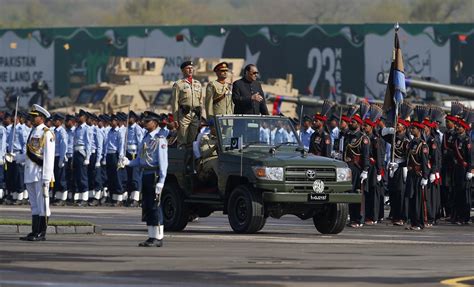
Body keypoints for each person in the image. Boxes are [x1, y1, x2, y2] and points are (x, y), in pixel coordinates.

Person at [120, 111, 168, 247]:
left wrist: (161, 181)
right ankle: (151, 235)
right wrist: (128, 162)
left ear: (155, 123)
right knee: (147, 205)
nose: (145, 124)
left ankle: (158, 237)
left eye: (147, 122)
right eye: (144, 121)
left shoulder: (160, 139)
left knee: (155, 206)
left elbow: (164, 162)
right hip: (145, 174)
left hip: (154, 174)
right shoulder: (146, 138)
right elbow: (141, 160)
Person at [18, 104, 55, 241]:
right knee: (34, 205)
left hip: (40, 174)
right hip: (30, 174)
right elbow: (29, 154)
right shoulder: (33, 131)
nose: (31, 119)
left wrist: (46, 177)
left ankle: (42, 233)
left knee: (43, 204)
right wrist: (15, 158)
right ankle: (34, 231)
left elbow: (49, 157)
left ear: (41, 118)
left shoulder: (47, 133)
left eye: (34, 117)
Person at [343, 105, 370, 228]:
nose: (350, 123)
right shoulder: (348, 136)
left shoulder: (363, 138)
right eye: (350, 121)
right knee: (350, 193)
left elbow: (365, 156)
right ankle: (352, 217)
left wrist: (365, 170)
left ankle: (359, 219)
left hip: (358, 168)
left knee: (358, 194)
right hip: (348, 169)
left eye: (353, 122)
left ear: (358, 124)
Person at [406, 106, 431, 231]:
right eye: (411, 128)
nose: (411, 129)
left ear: (419, 130)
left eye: (414, 128)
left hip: (418, 175)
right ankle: (413, 222)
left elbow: (425, 162)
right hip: (411, 174)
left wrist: (425, 177)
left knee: (418, 201)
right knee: (411, 199)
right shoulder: (412, 143)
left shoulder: (423, 145)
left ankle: (419, 223)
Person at [171, 61, 203, 147]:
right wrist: (175, 119)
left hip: (195, 115)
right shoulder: (178, 84)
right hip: (184, 114)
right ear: (183, 70)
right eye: (188, 68)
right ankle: (181, 159)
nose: (190, 70)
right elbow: (174, 103)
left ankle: (191, 159)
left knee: (193, 141)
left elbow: (200, 102)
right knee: (182, 139)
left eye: (192, 68)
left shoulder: (198, 84)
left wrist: (200, 117)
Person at [451, 107, 473, 225]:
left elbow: (470, 157)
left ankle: (465, 217)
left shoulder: (467, 140)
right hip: (458, 169)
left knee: (465, 194)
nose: (457, 127)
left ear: (464, 128)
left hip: (465, 169)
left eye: (459, 126)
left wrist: (470, 169)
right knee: (458, 193)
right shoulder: (456, 139)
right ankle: (458, 216)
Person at [104, 114, 125, 206]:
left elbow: (121, 145)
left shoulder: (119, 132)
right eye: (110, 121)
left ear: (117, 122)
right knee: (110, 176)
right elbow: (106, 144)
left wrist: (120, 157)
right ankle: (112, 197)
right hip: (109, 154)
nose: (111, 122)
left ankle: (119, 198)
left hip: (116, 155)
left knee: (117, 177)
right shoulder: (109, 132)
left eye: (113, 121)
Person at [72, 110, 92, 206]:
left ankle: (84, 198)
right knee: (77, 176)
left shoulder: (86, 129)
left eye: (79, 116)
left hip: (82, 153)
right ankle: (80, 197)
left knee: (83, 176)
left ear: (84, 117)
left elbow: (88, 143)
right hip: (76, 152)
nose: (78, 118)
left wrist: (87, 157)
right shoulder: (77, 128)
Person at [126, 111, 144, 207]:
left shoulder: (137, 129)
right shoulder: (127, 129)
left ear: (134, 119)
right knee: (129, 176)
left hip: (135, 153)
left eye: (131, 118)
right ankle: (130, 197)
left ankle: (136, 198)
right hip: (128, 153)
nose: (129, 120)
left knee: (135, 177)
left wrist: (139, 156)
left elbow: (140, 143)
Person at [51, 113, 68, 205]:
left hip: (59, 156)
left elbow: (63, 146)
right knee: (55, 177)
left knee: (61, 178)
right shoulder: (54, 131)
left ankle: (62, 198)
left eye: (56, 120)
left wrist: (62, 159)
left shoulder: (62, 132)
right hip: (54, 156)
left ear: (60, 122)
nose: (54, 121)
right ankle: (56, 197)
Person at [198, 118, 218, 185]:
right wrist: (215, 147)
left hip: (221, 158)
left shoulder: (223, 137)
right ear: (211, 128)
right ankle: (222, 188)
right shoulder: (205, 138)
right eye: (216, 127)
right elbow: (204, 154)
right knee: (217, 162)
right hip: (208, 161)